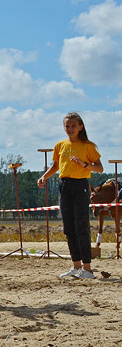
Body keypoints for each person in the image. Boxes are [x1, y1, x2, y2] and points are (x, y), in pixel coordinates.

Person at [37, 112, 103, 279]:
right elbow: (56, 165)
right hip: (64, 186)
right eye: (67, 126)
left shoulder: (88, 146)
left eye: (73, 126)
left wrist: (84, 164)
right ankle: (76, 266)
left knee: (81, 226)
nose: (70, 129)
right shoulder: (60, 145)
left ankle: (87, 269)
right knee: (69, 228)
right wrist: (44, 176)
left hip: (80, 185)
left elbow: (100, 168)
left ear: (80, 127)